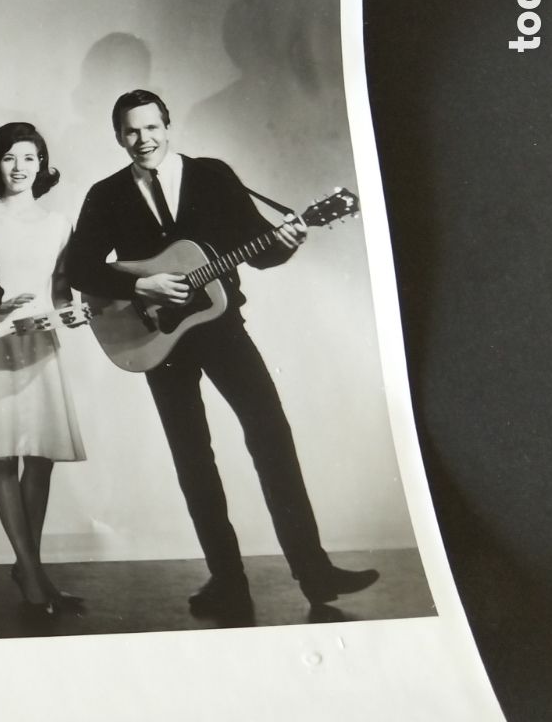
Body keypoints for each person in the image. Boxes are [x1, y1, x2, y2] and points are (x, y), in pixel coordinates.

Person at [64, 89, 379, 621]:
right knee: (193, 457)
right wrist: (142, 285)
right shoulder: (106, 194)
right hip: (156, 339)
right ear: (118, 136)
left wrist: (288, 241)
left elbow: (260, 250)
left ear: (168, 126)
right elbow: (79, 268)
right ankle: (227, 581)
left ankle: (314, 570)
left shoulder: (212, 175)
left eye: (151, 127)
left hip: (221, 328)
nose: (143, 139)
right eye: (131, 131)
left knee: (271, 434)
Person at [0, 122, 87, 622]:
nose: (19, 167)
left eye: (29, 157)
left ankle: (30, 566)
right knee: (5, 456)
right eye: (9, 157)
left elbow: (63, 294)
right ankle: (32, 575)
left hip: (39, 337)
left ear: (42, 165)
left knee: (42, 457)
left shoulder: (59, 223)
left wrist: (71, 314)